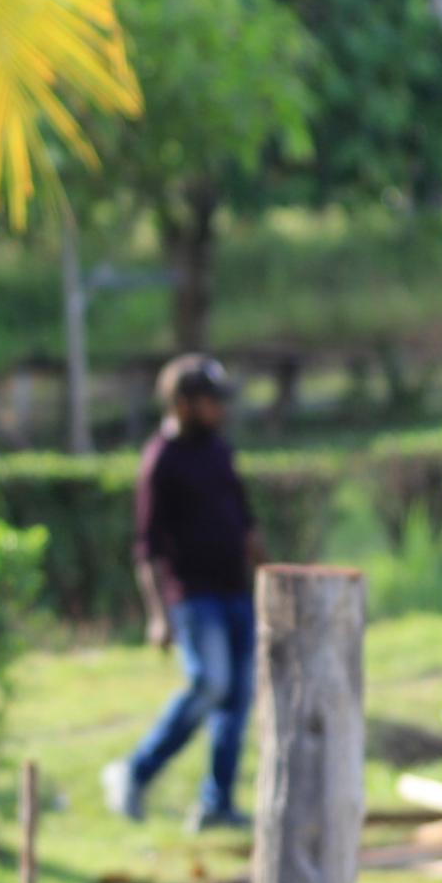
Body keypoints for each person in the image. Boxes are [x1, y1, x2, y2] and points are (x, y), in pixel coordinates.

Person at [105, 351, 260, 832]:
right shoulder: (160, 461)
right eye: (213, 400)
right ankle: (134, 770)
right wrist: (158, 614)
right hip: (193, 596)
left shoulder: (218, 449)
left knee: (236, 700)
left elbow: (244, 521)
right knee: (207, 685)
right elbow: (146, 547)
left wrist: (268, 575)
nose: (221, 409)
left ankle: (216, 802)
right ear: (185, 403)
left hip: (235, 591)